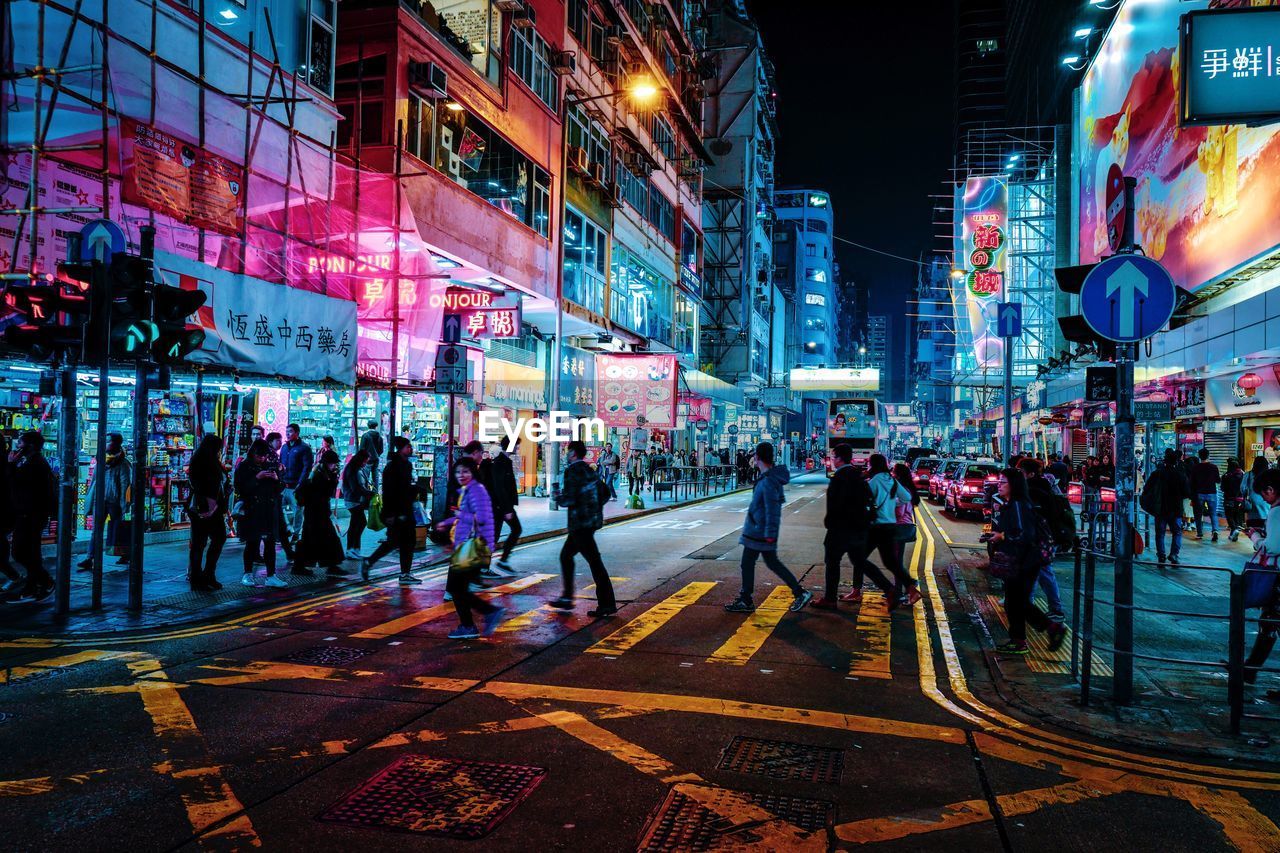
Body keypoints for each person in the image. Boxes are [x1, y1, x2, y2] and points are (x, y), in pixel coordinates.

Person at [725, 442, 812, 614]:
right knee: (755, 563)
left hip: (761, 533)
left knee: (761, 563)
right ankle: (747, 598)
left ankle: (798, 593)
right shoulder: (768, 478)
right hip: (757, 531)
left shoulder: (769, 481)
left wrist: (770, 534)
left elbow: (773, 511)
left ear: (757, 457)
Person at [989, 468, 1066, 655]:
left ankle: (1046, 630)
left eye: (1003, 482)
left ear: (1014, 485)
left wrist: (1002, 536)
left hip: (1025, 560)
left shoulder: (1017, 504)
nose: (999, 485)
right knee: (1016, 602)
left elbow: (1024, 534)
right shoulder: (1013, 503)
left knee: (1018, 602)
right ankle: (1021, 639)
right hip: (1021, 560)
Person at [815, 443, 894, 609]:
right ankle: (890, 589)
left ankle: (830, 599)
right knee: (860, 561)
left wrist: (830, 523)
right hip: (859, 528)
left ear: (839, 458)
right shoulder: (858, 476)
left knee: (832, 562)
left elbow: (836, 504)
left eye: (834, 456)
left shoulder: (840, 477)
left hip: (841, 528)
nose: (833, 460)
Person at [437, 457, 504, 639]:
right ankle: (476, 620)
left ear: (473, 472)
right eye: (458, 472)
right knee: (457, 587)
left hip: (472, 546)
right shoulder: (468, 490)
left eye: (465, 471)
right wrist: (447, 522)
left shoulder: (477, 490)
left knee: (456, 588)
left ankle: (476, 620)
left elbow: (480, 518)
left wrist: (458, 514)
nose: (461, 475)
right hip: (466, 545)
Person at [549, 440, 616, 618]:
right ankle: (568, 597)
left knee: (593, 562)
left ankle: (605, 603)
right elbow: (605, 492)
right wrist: (593, 508)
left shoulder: (572, 471)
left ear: (573, 453)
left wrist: (557, 497)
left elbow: (570, 499)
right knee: (568, 556)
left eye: (567, 451)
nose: (565, 454)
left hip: (579, 524)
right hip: (590, 523)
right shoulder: (589, 470)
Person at [1, 432, 55, 603]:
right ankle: (34, 585)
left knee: (20, 552)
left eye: (21, 443)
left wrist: (11, 465)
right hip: (27, 514)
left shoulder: (35, 464)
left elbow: (17, 484)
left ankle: (44, 581)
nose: (17, 446)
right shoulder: (32, 462)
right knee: (30, 552)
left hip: (31, 515)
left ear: (30, 445)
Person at [865, 453, 923, 608]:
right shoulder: (892, 480)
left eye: (869, 464)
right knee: (891, 561)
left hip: (877, 525)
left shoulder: (874, 481)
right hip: (890, 526)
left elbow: (863, 500)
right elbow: (906, 498)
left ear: (873, 465)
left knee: (859, 557)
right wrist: (892, 503)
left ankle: (892, 590)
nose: (868, 466)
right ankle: (910, 588)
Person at [362, 436, 421, 585]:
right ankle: (370, 562)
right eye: (408, 447)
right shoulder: (393, 467)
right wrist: (390, 513)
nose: (410, 449)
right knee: (396, 542)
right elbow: (389, 492)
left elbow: (406, 487)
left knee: (404, 542)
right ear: (400, 449)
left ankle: (404, 573)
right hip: (396, 512)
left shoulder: (406, 465)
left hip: (405, 510)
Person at [1018, 458, 1066, 623]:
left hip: (1040, 540)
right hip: (1041, 539)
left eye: (1021, 473)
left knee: (1041, 573)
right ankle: (1031, 607)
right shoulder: (1040, 487)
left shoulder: (1033, 490)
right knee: (1037, 573)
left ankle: (1055, 610)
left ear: (1030, 474)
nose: (1020, 476)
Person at [235, 439, 287, 588]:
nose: (262, 459)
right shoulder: (244, 466)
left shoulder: (270, 466)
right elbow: (240, 489)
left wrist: (276, 479)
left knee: (270, 543)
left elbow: (280, 488)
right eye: (259, 456)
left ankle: (271, 575)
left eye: (264, 456)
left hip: (269, 510)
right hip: (252, 510)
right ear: (253, 453)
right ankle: (247, 574)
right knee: (252, 543)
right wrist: (257, 478)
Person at [78, 432, 133, 571]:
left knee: (117, 528)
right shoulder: (100, 460)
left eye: (109, 441)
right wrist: (90, 498)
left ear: (116, 443)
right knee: (96, 530)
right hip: (99, 500)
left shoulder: (123, 464)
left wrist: (124, 505)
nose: (106, 444)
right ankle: (90, 557)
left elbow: (125, 485)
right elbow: (94, 481)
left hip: (114, 502)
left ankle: (125, 554)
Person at [292, 449, 348, 578]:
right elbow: (323, 492)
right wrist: (333, 479)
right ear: (328, 463)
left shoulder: (321, 472)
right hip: (315, 513)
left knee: (323, 539)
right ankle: (302, 566)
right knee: (315, 539)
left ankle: (330, 565)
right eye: (333, 463)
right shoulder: (319, 475)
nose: (334, 466)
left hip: (318, 512)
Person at [186, 434, 228, 592]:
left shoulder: (207, 459)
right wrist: (208, 504)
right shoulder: (203, 460)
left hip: (213, 508)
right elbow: (200, 485)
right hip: (203, 508)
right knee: (200, 544)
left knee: (213, 540)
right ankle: (198, 578)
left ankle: (207, 574)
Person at [1146, 449, 1191, 566]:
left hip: (1160, 508)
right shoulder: (1180, 475)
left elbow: (1147, 489)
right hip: (1175, 509)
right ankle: (1174, 554)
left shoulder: (1157, 474)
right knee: (1177, 532)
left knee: (1160, 533)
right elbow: (1187, 492)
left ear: (1164, 462)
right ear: (1176, 462)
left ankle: (1161, 555)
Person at [488, 436, 521, 575]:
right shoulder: (501, 462)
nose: (517, 448)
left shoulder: (505, 461)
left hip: (502, 506)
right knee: (499, 535)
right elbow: (500, 487)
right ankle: (493, 564)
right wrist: (507, 509)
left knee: (497, 535)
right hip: (500, 507)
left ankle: (501, 561)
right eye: (516, 445)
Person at [278, 423, 314, 536]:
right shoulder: (284, 447)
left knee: (297, 511)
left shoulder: (304, 448)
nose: (287, 434)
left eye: (290, 431)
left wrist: (300, 483)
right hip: (283, 485)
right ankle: (284, 531)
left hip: (296, 487)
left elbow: (307, 467)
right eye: (286, 431)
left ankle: (296, 534)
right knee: (279, 510)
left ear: (297, 433)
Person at [342, 450, 374, 559]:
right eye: (365, 461)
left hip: (354, 500)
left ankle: (353, 549)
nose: (365, 463)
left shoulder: (356, 469)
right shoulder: (352, 470)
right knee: (359, 523)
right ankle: (352, 549)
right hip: (353, 500)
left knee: (356, 524)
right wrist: (369, 494)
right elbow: (356, 487)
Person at [1191, 448, 1222, 542]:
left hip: (1199, 493)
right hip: (1212, 493)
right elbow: (1218, 480)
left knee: (1198, 514)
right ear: (1208, 456)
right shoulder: (1214, 467)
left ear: (1199, 456)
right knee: (1213, 514)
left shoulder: (1195, 468)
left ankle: (1200, 533)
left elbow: (1192, 482)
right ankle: (1215, 530)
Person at [1244, 456, 1271, 530]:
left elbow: (1242, 488)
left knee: (1253, 527)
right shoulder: (1269, 475)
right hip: (1267, 503)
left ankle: (1256, 537)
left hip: (1252, 503)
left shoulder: (1248, 474)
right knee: (1266, 525)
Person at [1223, 458, 1245, 543]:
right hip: (1240, 499)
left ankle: (1234, 529)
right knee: (1236, 515)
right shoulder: (1243, 474)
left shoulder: (1226, 475)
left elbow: (1223, 488)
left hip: (1229, 498)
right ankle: (1233, 532)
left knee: (1229, 515)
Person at [359, 420, 385, 489]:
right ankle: (375, 493)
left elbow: (362, 449)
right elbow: (381, 450)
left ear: (368, 426)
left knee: (365, 476)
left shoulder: (365, 436)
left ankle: (365, 492)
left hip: (366, 460)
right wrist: (377, 454)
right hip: (376, 459)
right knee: (375, 477)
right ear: (376, 427)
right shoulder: (379, 437)